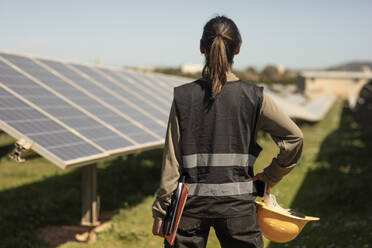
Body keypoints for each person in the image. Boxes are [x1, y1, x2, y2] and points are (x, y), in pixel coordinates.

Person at [152, 16, 303, 248]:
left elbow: (172, 160)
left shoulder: (183, 97)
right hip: (239, 210)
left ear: (202, 47)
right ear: (239, 48)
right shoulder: (255, 97)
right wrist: (270, 176)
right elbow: (295, 138)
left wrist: (161, 210)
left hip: (188, 209)